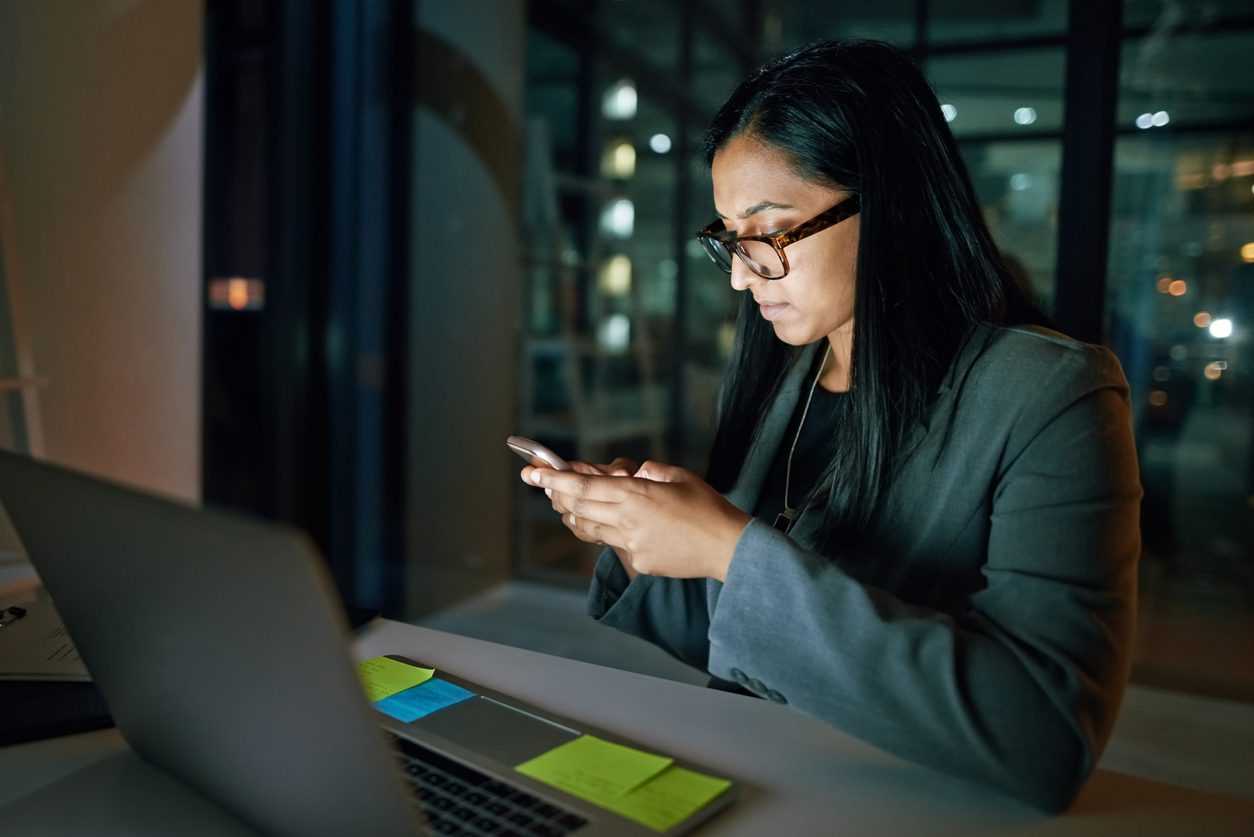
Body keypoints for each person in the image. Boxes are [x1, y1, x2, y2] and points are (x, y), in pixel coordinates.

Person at [519, 39, 1140, 813]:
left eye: (769, 232)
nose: (743, 275)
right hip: (765, 781)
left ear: (890, 206)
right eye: (728, 237)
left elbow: (1045, 733)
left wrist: (727, 548)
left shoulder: (1052, 397)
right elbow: (744, 637)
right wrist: (643, 534)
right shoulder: (790, 375)